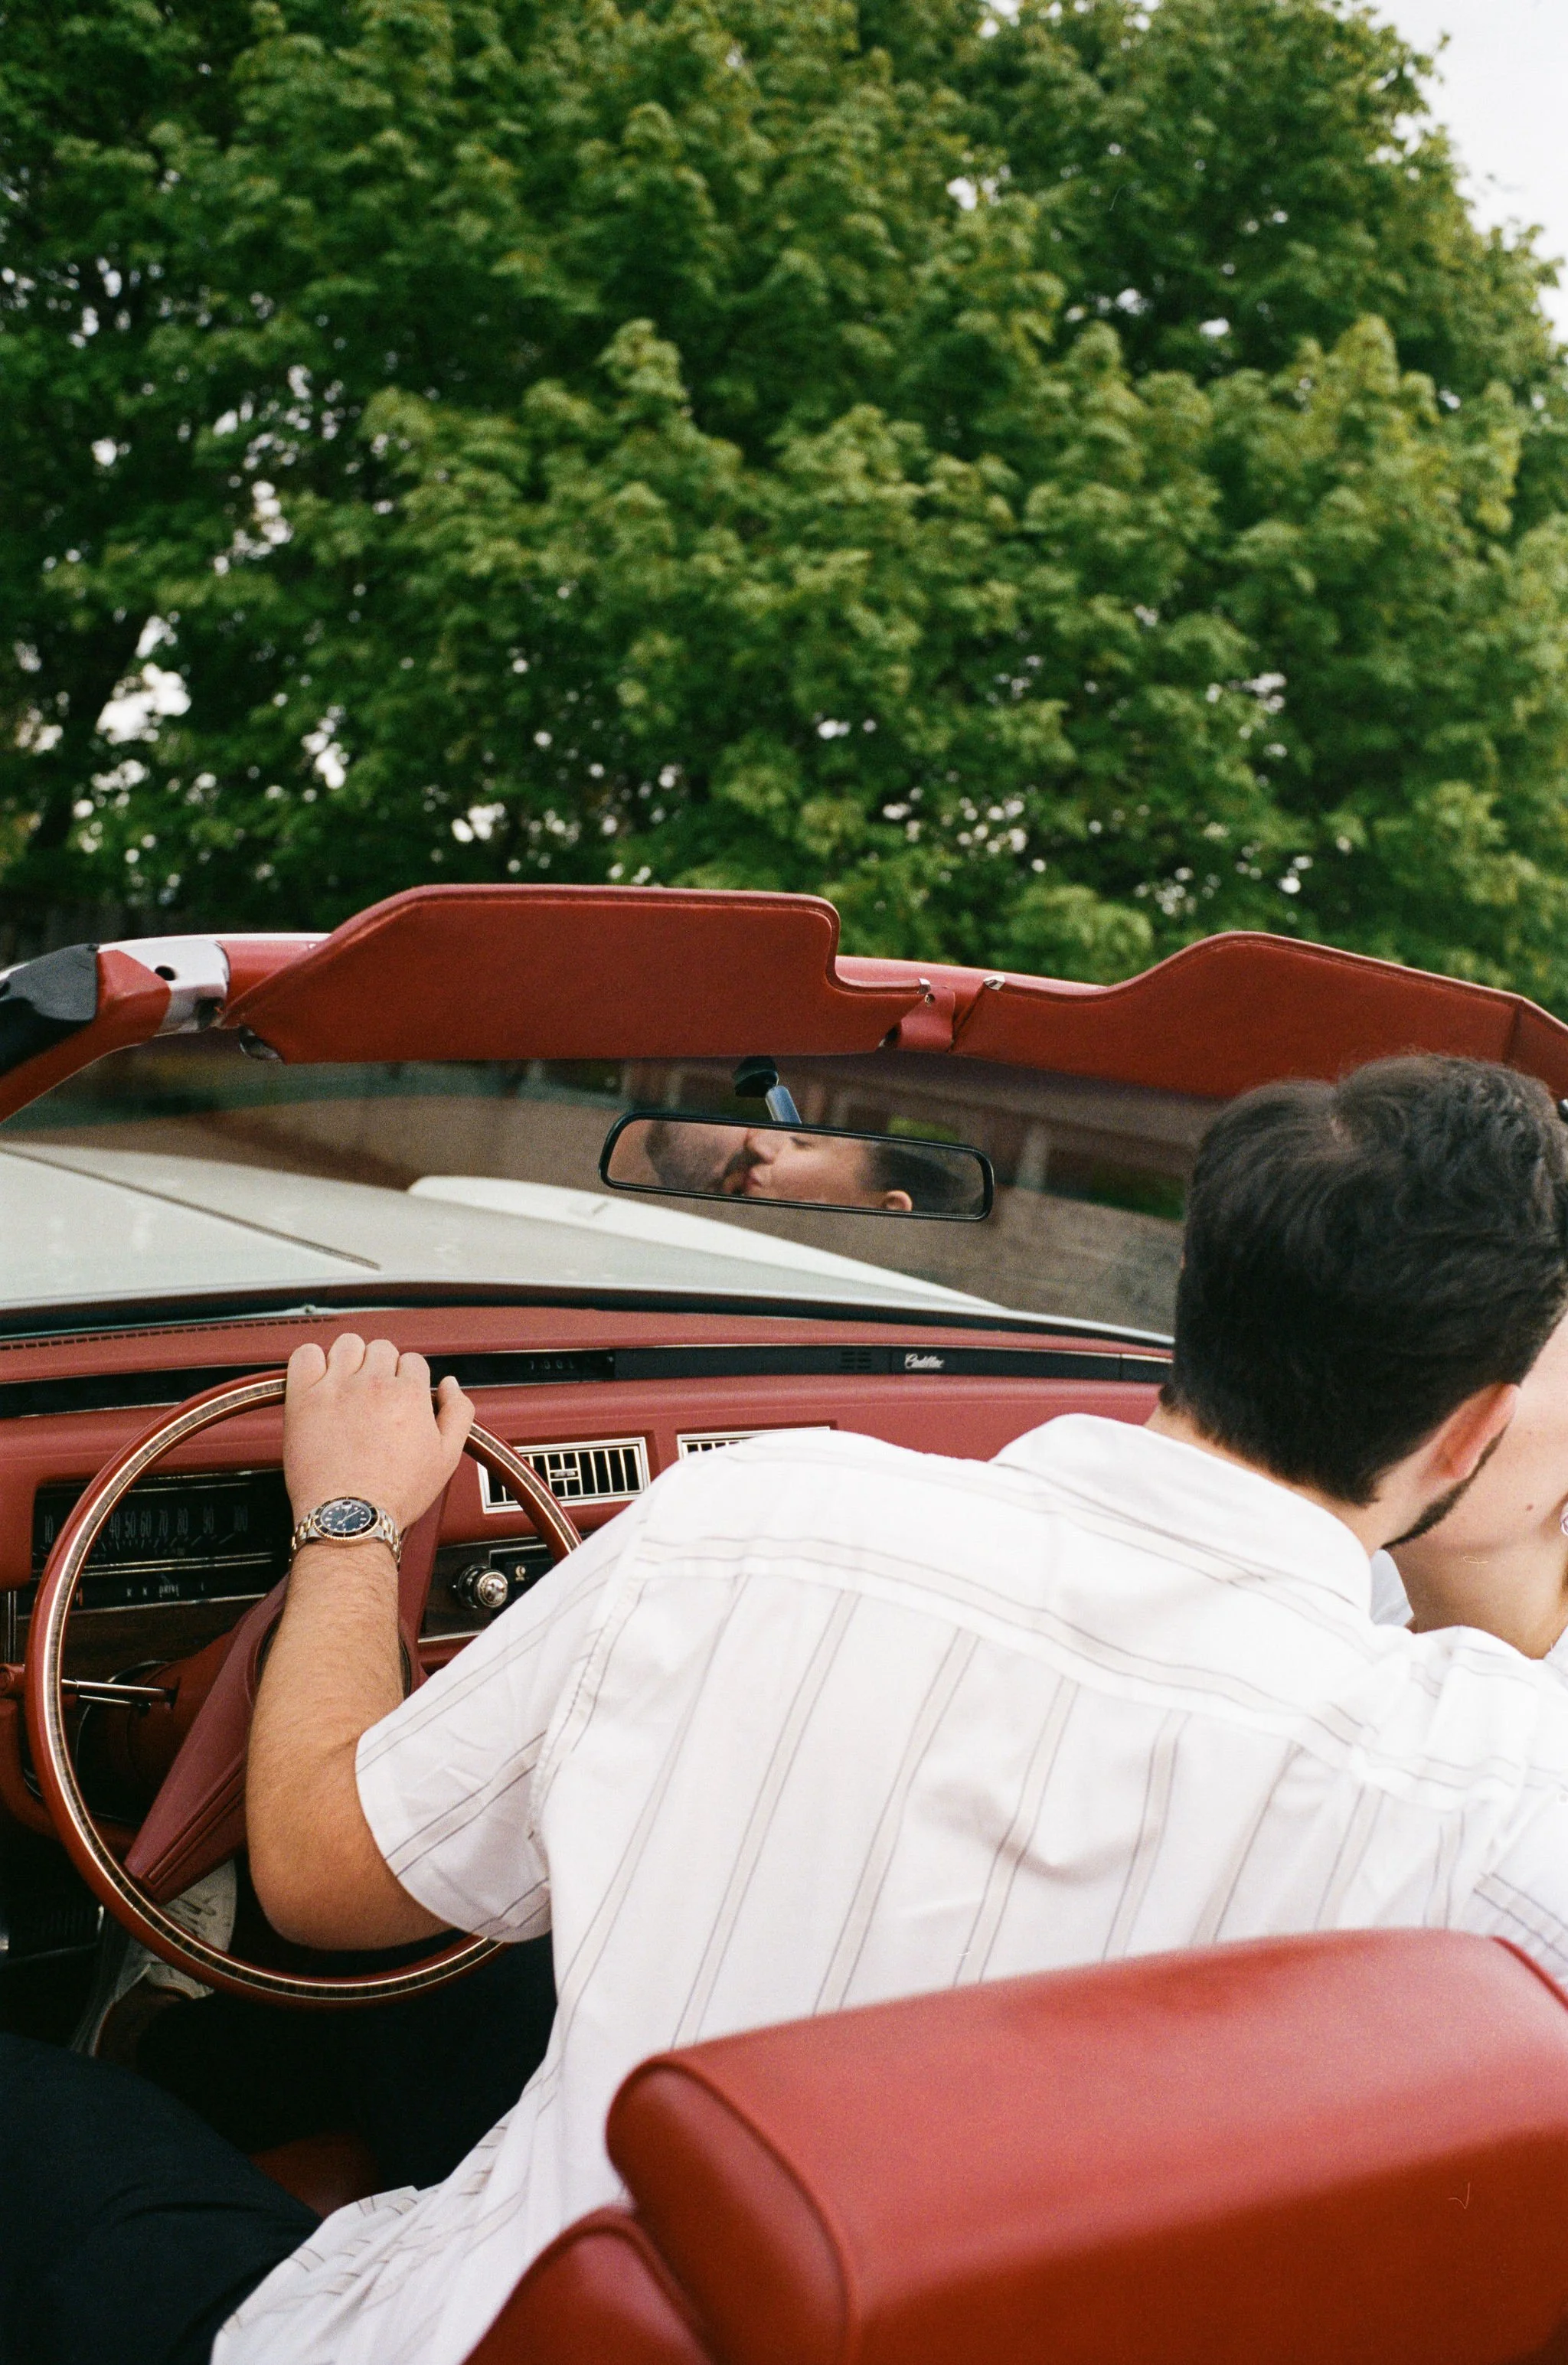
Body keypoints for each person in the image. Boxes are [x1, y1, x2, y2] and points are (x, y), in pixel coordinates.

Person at [14, 1050, 1568, 2365]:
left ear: (1201, 1279)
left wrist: (350, 1524)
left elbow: (314, 1877)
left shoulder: (746, 1520)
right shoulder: (1494, 1788)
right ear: (1480, 1427)